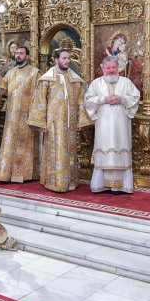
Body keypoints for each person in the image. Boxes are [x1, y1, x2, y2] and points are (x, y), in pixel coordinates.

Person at [27, 49, 90, 193]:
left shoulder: (75, 79)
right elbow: (40, 101)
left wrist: (81, 121)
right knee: (55, 152)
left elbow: (81, 100)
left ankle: (70, 181)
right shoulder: (47, 78)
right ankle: (53, 181)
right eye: (64, 58)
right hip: (53, 124)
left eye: (69, 58)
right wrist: (41, 122)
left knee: (70, 151)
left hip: (70, 124)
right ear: (56, 60)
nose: (68, 61)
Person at [84, 56, 141, 193]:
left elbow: (136, 97)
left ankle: (122, 185)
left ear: (118, 68)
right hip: (103, 124)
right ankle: (101, 184)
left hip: (121, 125)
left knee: (121, 147)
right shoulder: (96, 83)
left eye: (113, 67)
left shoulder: (126, 82)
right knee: (103, 149)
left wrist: (122, 100)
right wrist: (103, 99)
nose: (111, 70)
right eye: (108, 68)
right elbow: (88, 100)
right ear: (103, 69)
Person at [0, 44, 40, 183]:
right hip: (12, 116)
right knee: (10, 143)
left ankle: (26, 175)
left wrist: (36, 115)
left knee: (25, 145)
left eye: (21, 53)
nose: (18, 55)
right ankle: (6, 173)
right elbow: (4, 88)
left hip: (27, 115)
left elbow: (39, 95)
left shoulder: (35, 73)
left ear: (27, 56)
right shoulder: (11, 72)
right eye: (17, 53)